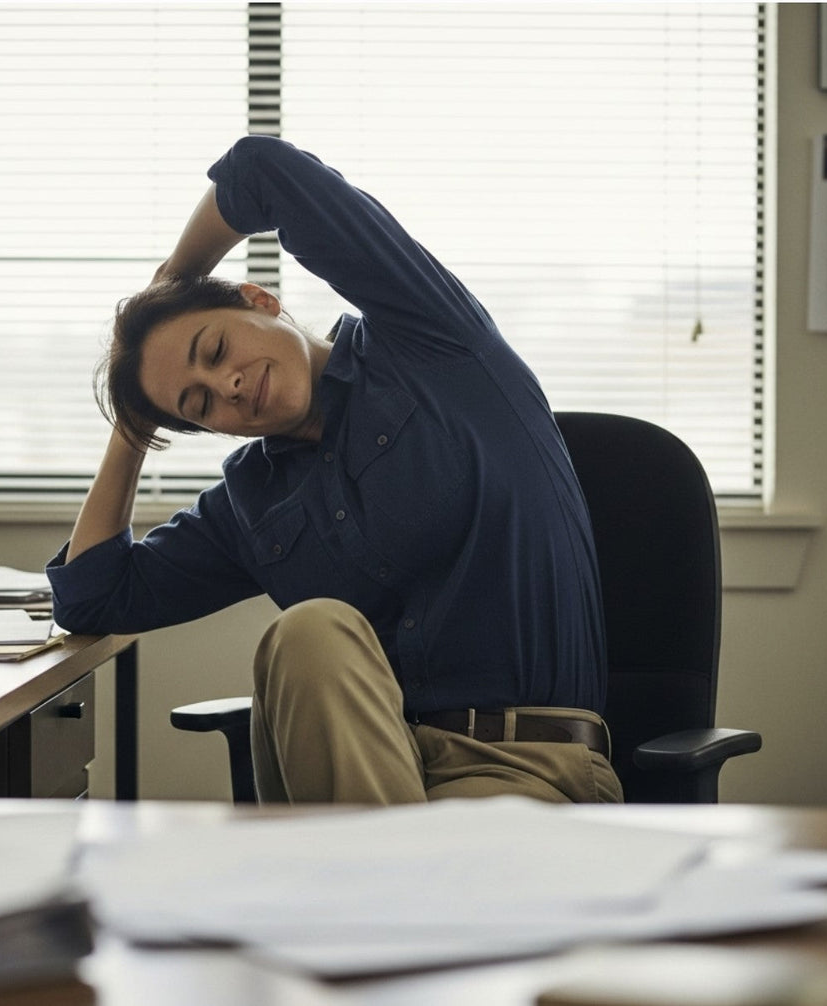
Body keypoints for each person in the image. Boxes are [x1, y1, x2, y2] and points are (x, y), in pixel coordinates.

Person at [47, 135, 623, 806]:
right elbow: (91, 598)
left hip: (524, 774)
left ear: (259, 301)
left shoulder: (430, 343)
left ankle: (368, 887)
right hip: (361, 771)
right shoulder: (251, 503)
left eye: (215, 348)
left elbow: (261, 172)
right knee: (310, 630)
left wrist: (173, 278)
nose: (227, 385)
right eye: (198, 404)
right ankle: (377, 882)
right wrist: (133, 425)